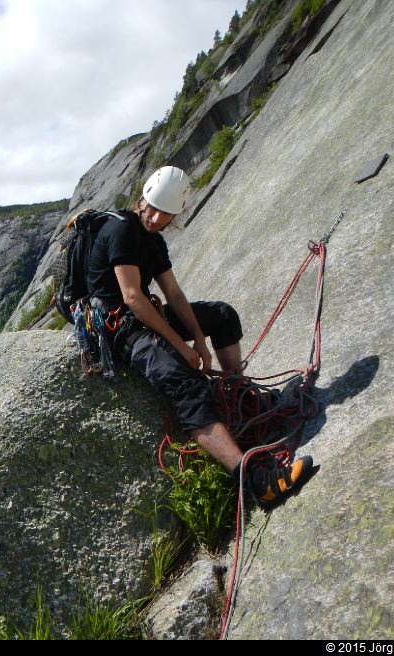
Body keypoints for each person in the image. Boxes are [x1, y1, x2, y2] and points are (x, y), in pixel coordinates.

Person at [85, 165, 313, 509]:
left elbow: (173, 294)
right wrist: (181, 346)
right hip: (118, 329)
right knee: (185, 381)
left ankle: (239, 397)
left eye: (166, 213)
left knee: (221, 316)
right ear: (143, 198)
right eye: (153, 208)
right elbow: (132, 297)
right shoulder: (119, 231)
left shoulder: (154, 241)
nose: (157, 217)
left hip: (145, 315)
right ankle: (255, 481)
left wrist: (199, 339)